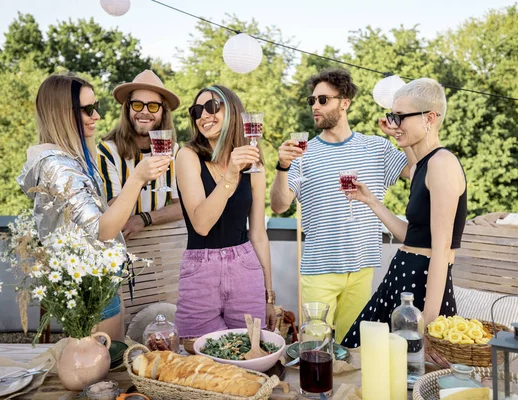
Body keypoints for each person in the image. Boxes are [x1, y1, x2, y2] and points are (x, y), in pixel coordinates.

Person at [18, 74, 171, 341]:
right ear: (62, 114)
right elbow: (102, 230)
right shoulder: (58, 166)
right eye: (87, 109)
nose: (97, 115)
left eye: (95, 106)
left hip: (102, 280)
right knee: (104, 369)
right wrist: (137, 178)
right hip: (89, 286)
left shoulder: (74, 157)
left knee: (111, 363)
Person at [270, 68, 415, 343]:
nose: (315, 106)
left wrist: (399, 135)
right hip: (318, 270)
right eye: (312, 100)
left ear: (344, 102)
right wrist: (282, 166)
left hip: (362, 268)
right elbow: (279, 206)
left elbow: (417, 170)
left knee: (352, 349)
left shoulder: (376, 148)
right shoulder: (302, 155)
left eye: (323, 99)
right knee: (314, 349)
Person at [341, 78, 467, 352]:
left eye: (400, 117)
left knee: (393, 374)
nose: (394, 124)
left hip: (421, 289)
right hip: (400, 280)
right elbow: (412, 236)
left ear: (430, 118)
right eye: (392, 116)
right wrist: (370, 201)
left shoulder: (442, 165)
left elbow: (441, 251)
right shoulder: (424, 165)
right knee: (355, 356)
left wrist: (430, 327)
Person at [174, 85, 277, 338]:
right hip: (200, 272)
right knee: (196, 361)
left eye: (212, 107)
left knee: (249, 356)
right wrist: (231, 174)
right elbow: (201, 224)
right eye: (197, 110)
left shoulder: (253, 164)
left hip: (246, 268)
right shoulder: (187, 156)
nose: (203, 115)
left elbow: (259, 235)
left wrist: (269, 296)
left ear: (232, 111)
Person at [97, 70, 183, 239]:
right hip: (118, 244)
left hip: (157, 241)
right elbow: (112, 211)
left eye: (152, 106)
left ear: (162, 112)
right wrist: (140, 177)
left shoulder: (173, 151)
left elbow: (183, 206)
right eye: (137, 105)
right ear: (127, 109)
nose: (144, 112)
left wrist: (145, 218)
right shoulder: (107, 151)